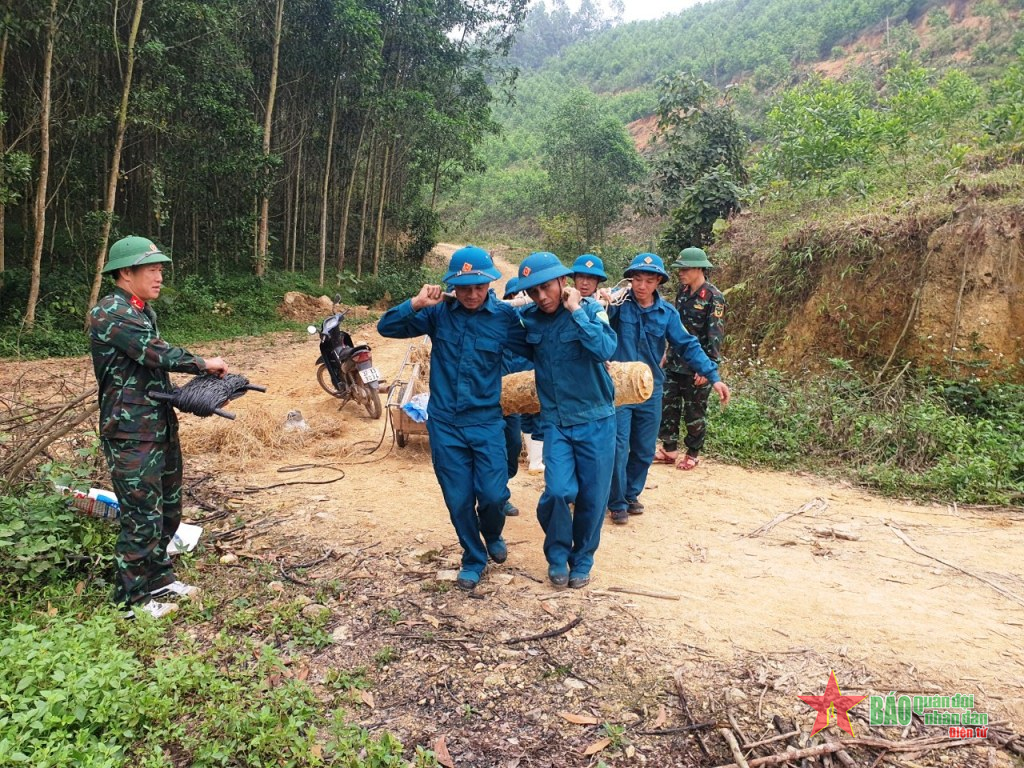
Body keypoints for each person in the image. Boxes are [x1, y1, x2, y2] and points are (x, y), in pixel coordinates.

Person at [90, 236, 228, 618]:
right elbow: (155, 354)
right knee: (141, 516)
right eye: (151, 269)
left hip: (158, 424)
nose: (159, 275)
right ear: (125, 272)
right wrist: (202, 363)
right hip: (130, 432)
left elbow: (151, 367)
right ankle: (129, 601)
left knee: (168, 508)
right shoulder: (110, 312)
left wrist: (201, 393)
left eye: (160, 269)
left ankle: (159, 578)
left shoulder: (141, 310)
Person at [377, 246, 527, 591]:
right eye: (464, 288)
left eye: (479, 287)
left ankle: (491, 533)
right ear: (453, 287)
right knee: (458, 498)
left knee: (492, 494)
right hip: (445, 424)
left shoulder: (504, 318)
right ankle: (473, 557)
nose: (473, 294)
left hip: (487, 422)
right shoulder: (438, 314)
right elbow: (386, 327)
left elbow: (537, 346)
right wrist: (415, 304)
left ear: (490, 284)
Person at [517, 251, 617, 589]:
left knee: (592, 497)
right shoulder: (530, 319)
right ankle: (558, 555)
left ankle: (583, 559)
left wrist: (575, 309)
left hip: (597, 419)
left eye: (547, 287)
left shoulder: (591, 310)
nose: (541, 297)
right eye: (533, 292)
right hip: (557, 422)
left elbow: (605, 349)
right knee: (558, 491)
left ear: (563, 281)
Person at [606, 252, 729, 525]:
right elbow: (596, 318)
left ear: (658, 282)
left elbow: (687, 344)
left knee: (644, 447)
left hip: (650, 389)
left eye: (649, 280)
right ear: (630, 280)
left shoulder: (667, 313)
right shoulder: (618, 307)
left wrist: (713, 374)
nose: (641, 286)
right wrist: (605, 296)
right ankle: (615, 502)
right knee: (617, 445)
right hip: (620, 390)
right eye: (637, 279)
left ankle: (630, 494)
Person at [656, 247, 726, 471]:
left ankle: (693, 453)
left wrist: (707, 367)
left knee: (695, 410)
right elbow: (675, 326)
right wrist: (667, 352)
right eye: (680, 269)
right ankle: (669, 449)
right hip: (676, 361)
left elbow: (715, 336)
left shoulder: (714, 298)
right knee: (668, 404)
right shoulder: (683, 292)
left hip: (697, 364)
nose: (681, 273)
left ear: (699, 269)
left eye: (685, 268)